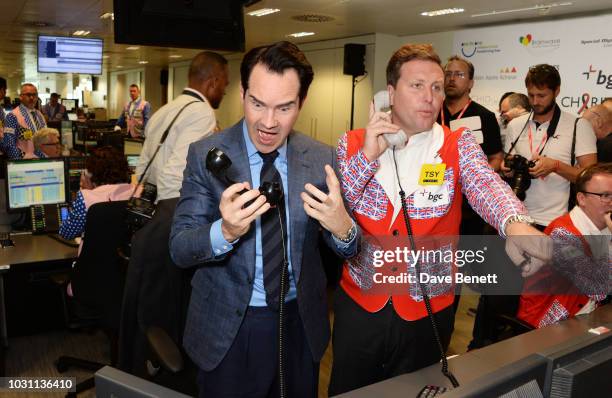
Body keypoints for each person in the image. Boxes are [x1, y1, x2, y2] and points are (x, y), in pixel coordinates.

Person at [330, 43, 552, 395]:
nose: (429, 96)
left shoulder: (456, 143)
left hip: (428, 309)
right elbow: (340, 209)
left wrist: (515, 222)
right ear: (389, 93)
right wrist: (370, 155)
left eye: (436, 87)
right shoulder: (354, 142)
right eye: (416, 86)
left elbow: (486, 184)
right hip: (362, 304)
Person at [169, 41, 360, 397]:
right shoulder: (205, 156)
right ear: (242, 93)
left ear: (302, 102)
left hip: (299, 326)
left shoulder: (321, 158)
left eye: (284, 108)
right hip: (229, 329)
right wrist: (223, 231)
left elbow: (350, 249)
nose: (268, 123)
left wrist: (343, 228)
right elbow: (180, 248)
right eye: (257, 104)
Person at [502, 64, 598, 229]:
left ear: (557, 91)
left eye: (541, 95)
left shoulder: (578, 125)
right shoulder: (515, 126)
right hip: (514, 217)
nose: (535, 101)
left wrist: (555, 166)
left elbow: (592, 180)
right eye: (531, 95)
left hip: (554, 223)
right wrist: (507, 169)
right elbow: (506, 167)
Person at [518, 163, 611, 328]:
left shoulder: (604, 227)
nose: (611, 202)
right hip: (546, 326)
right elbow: (598, 289)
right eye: (605, 195)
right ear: (582, 199)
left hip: (584, 317)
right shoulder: (562, 235)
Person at [136, 51, 229, 201]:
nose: (224, 91)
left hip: (150, 204)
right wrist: (176, 219)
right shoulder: (202, 113)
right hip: (170, 207)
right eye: (225, 84)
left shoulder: (164, 111)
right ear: (213, 82)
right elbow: (175, 176)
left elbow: (142, 170)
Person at [439, 55, 503, 171]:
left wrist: (478, 179)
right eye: (448, 74)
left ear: (471, 83)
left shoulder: (485, 117)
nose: (452, 78)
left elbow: (496, 158)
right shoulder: (430, 113)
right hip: (431, 181)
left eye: (459, 74)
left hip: (466, 185)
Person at [59, 146, 134, 241]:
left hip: (95, 255)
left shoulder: (86, 198)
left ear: (91, 173)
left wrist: (87, 191)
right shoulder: (138, 192)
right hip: (131, 254)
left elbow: (66, 233)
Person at [1, 83, 47, 159]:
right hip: (25, 162)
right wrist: (22, 160)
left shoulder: (40, 115)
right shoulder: (13, 115)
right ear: (21, 97)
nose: (32, 97)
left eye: (34, 95)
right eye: (28, 95)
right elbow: (9, 144)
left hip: (44, 160)